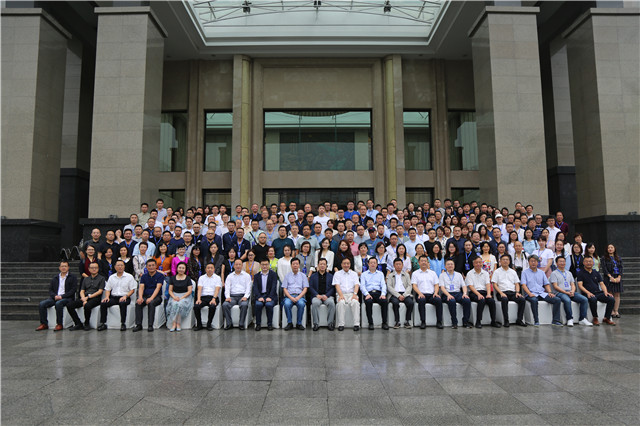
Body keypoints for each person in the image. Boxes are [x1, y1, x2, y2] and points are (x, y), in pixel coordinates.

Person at [520, 255, 562, 326]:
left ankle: (555, 320)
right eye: (531, 261)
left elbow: (546, 284)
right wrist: (529, 293)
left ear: (537, 262)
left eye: (535, 261)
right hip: (531, 293)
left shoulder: (541, 272)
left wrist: (550, 292)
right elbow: (523, 285)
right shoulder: (524, 272)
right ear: (528, 262)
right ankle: (536, 321)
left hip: (542, 293)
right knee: (534, 300)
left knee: (557, 299)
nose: (533, 263)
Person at [36, 261, 78, 331]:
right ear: (59, 268)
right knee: (42, 304)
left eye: (65, 266)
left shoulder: (72, 277)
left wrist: (62, 296)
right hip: (55, 297)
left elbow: (73, 290)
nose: (64, 268)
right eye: (62, 266)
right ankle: (44, 324)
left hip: (67, 298)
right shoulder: (55, 278)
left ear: (68, 267)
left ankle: (59, 324)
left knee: (58, 304)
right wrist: (54, 296)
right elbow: (50, 290)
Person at [550, 256, 591, 327]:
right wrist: (566, 292)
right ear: (556, 263)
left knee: (584, 299)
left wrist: (572, 291)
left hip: (570, 292)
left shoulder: (569, 273)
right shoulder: (554, 273)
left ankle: (582, 319)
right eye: (560, 261)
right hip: (559, 293)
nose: (562, 263)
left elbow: (572, 284)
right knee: (567, 300)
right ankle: (569, 318)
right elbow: (555, 286)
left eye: (563, 261)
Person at [97, 260, 137, 331]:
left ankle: (123, 323)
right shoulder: (112, 277)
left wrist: (125, 296)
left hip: (125, 297)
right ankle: (103, 323)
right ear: (115, 267)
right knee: (103, 303)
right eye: (118, 265)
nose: (120, 267)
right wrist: (107, 297)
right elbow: (108, 289)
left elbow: (132, 290)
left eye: (121, 265)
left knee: (122, 303)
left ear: (124, 267)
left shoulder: (129, 277)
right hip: (114, 297)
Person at [577, 256, 616, 326]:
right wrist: (588, 293)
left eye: (590, 261)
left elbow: (602, 284)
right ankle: (595, 317)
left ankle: (607, 318)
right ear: (583, 263)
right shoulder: (580, 273)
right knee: (593, 299)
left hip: (598, 292)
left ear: (593, 263)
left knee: (611, 299)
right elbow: (580, 285)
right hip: (587, 293)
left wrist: (605, 292)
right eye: (586, 261)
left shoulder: (596, 272)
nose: (588, 263)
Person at [65, 261, 105, 330]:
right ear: (89, 269)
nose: (94, 269)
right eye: (92, 268)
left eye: (95, 268)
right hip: (85, 297)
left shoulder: (102, 278)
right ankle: (78, 323)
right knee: (69, 305)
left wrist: (88, 297)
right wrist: (83, 298)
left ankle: (86, 323)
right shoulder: (86, 279)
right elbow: (82, 291)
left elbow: (100, 291)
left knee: (87, 306)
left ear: (98, 269)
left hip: (95, 298)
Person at [465, 257, 500, 328]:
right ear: (473, 264)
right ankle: (478, 321)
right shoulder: (470, 273)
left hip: (484, 292)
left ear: (482, 263)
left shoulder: (485, 273)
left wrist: (488, 294)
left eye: (480, 262)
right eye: (476, 262)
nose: (478, 264)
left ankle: (493, 321)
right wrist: (478, 294)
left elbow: (488, 284)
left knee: (491, 301)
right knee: (482, 300)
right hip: (474, 293)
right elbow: (470, 286)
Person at [492, 254, 527, 327]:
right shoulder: (497, 272)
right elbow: (494, 284)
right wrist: (501, 293)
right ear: (500, 261)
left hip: (512, 293)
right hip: (502, 292)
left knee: (522, 300)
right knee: (504, 299)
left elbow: (517, 283)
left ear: (509, 261)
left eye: (507, 260)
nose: (505, 261)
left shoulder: (513, 272)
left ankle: (519, 320)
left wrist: (517, 292)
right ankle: (506, 320)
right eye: (503, 260)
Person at [439, 259, 472, 329]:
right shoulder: (442, 275)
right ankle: (454, 322)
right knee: (452, 301)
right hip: (447, 294)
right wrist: (448, 295)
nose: (450, 266)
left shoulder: (458, 274)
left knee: (467, 300)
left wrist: (465, 293)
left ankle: (465, 322)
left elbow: (464, 286)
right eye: (448, 264)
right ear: (445, 266)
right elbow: (442, 288)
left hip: (458, 293)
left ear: (454, 266)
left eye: (451, 264)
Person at [412, 256, 444, 329]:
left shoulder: (432, 273)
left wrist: (436, 293)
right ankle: (423, 321)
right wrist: (420, 293)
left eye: (425, 261)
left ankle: (439, 321)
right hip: (420, 294)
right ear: (419, 262)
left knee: (438, 300)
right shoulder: (415, 273)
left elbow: (436, 284)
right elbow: (414, 286)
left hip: (431, 295)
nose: (423, 262)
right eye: (422, 261)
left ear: (428, 262)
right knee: (421, 300)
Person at [133, 258, 164, 332]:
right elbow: (141, 288)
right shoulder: (144, 276)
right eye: (149, 266)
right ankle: (139, 325)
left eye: (153, 265)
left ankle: (150, 325)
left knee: (151, 303)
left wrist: (151, 298)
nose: (151, 267)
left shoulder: (160, 275)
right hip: (145, 296)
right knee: (138, 303)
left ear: (156, 266)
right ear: (146, 267)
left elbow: (158, 288)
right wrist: (140, 297)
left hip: (156, 297)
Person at [222, 258, 252, 330]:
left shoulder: (247, 276)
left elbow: (248, 288)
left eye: (239, 264)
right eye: (236, 264)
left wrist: (246, 296)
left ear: (242, 266)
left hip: (242, 296)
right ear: (234, 266)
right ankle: (229, 323)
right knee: (225, 305)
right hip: (232, 297)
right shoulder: (230, 276)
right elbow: (227, 288)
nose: (238, 266)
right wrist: (227, 297)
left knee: (244, 305)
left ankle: (241, 324)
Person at [360, 257, 389, 330]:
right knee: (368, 302)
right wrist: (366, 294)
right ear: (368, 264)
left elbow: (383, 285)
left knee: (384, 301)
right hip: (369, 293)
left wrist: (383, 294)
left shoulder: (380, 274)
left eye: (374, 263)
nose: (373, 264)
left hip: (378, 293)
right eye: (371, 263)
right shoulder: (364, 274)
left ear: (377, 264)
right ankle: (370, 323)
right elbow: (362, 286)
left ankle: (384, 322)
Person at [333, 257, 361, 331]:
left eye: (348, 263)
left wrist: (355, 294)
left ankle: (356, 324)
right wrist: (341, 295)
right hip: (341, 294)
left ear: (350, 264)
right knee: (341, 303)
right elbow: (337, 285)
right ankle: (341, 324)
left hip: (352, 294)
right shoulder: (337, 274)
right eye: (344, 263)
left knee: (355, 302)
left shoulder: (354, 274)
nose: (346, 265)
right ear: (341, 265)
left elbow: (357, 285)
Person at [281, 258, 308, 330]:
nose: (295, 265)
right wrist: (291, 297)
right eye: (293, 264)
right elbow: (284, 289)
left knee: (301, 304)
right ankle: (289, 323)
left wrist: (298, 297)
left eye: (297, 264)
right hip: (289, 296)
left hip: (300, 296)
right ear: (291, 265)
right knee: (286, 304)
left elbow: (305, 288)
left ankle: (299, 323)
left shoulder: (303, 276)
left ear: (299, 265)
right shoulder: (287, 276)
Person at [193, 262, 222, 331]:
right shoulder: (202, 278)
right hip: (203, 297)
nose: (210, 269)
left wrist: (214, 299)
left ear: (214, 269)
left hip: (213, 297)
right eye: (208, 268)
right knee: (196, 306)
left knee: (212, 306)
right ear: (205, 269)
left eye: (211, 268)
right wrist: (198, 299)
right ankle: (199, 324)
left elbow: (217, 289)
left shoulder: (217, 278)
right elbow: (199, 289)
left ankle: (209, 324)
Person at [386, 258, 414, 329]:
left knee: (410, 303)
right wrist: (398, 295)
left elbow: (409, 286)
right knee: (395, 303)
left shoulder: (406, 275)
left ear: (402, 265)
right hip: (394, 294)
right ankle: (397, 321)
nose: (398, 266)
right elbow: (389, 287)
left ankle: (407, 321)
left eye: (400, 264)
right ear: (394, 265)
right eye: (397, 264)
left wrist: (404, 295)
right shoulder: (390, 275)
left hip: (405, 294)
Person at [309, 258, 336, 331]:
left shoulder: (331, 276)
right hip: (317, 296)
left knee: (331, 303)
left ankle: (330, 323)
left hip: (327, 296)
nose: (322, 266)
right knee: (315, 303)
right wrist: (316, 295)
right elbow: (310, 287)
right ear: (318, 265)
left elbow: (333, 288)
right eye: (321, 264)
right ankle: (316, 323)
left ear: (326, 266)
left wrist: (327, 295)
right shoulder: (313, 276)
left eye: (324, 264)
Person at [166, 262, 193, 332]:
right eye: (180, 268)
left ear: (185, 269)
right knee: (174, 304)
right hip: (174, 295)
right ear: (177, 268)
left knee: (180, 304)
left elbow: (189, 291)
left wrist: (181, 298)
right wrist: (174, 297)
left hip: (185, 296)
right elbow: (170, 290)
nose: (181, 269)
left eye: (183, 268)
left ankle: (178, 323)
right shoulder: (172, 278)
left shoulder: (188, 278)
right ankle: (174, 324)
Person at [253, 259, 278, 331]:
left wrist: (270, 297)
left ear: (269, 265)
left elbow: (274, 287)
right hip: (260, 296)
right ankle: (258, 324)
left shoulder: (273, 275)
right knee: (258, 304)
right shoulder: (256, 276)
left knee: (269, 305)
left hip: (270, 296)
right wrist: (259, 297)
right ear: (260, 265)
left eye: (266, 264)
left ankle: (269, 324)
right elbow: (255, 288)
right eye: (263, 264)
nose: (264, 266)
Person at [602, 244, 623, 318]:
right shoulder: (604, 258)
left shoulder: (618, 258)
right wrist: (610, 277)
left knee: (617, 294)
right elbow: (604, 269)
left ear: (614, 249)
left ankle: (616, 311)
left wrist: (619, 277)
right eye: (609, 248)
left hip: (617, 277)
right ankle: (611, 311)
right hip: (608, 278)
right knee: (610, 294)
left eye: (612, 247)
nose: (610, 249)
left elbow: (621, 268)